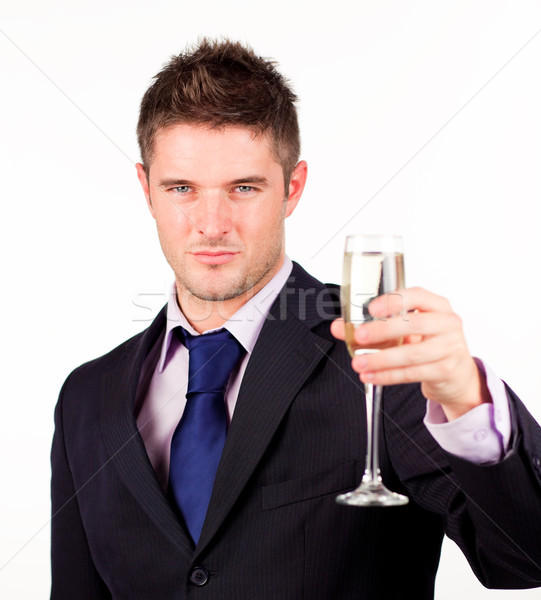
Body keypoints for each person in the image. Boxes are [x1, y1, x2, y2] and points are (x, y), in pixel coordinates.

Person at [50, 38, 541, 599]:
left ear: (293, 188)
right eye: (181, 188)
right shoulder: (86, 398)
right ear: (147, 190)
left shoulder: (382, 356)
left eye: (244, 188)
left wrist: (468, 399)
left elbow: (524, 557)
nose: (212, 224)